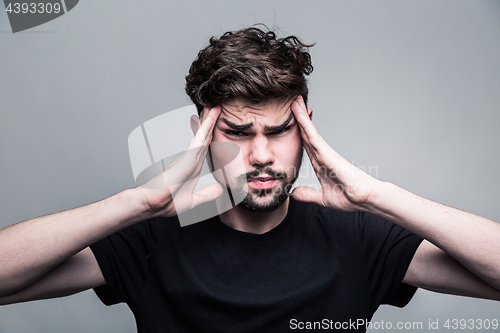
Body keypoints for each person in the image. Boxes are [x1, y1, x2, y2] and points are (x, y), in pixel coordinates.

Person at [0, 26, 499, 332]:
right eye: (237, 133)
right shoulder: (150, 235)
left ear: (307, 130)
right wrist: (141, 202)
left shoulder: (361, 235)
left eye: (280, 131)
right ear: (201, 134)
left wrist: (377, 196)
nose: (261, 155)